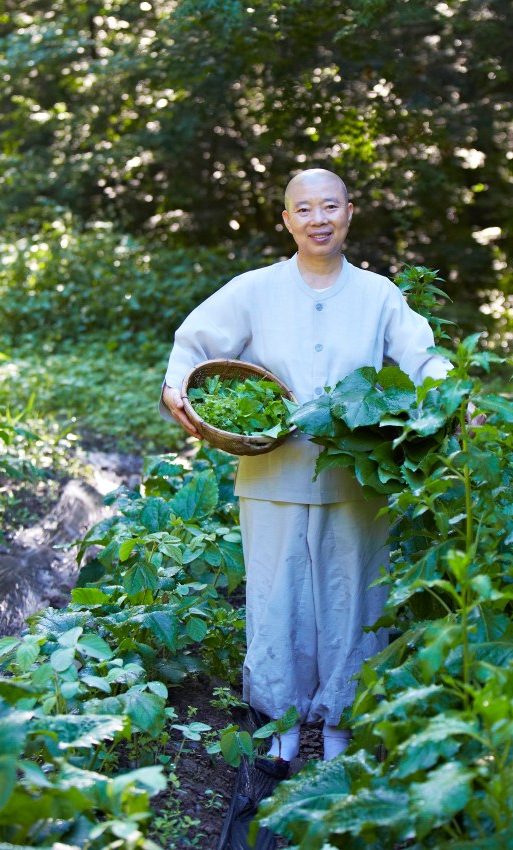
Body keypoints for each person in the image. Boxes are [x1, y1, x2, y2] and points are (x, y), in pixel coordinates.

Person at [161, 168, 451, 762]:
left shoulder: (377, 295)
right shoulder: (254, 290)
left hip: (357, 475)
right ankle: (283, 730)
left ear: (350, 212)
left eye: (330, 207)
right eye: (304, 209)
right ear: (286, 221)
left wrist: (450, 400)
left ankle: (342, 731)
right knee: (275, 601)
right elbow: (194, 343)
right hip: (272, 476)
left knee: (357, 601)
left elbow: (425, 357)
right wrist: (175, 388)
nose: (318, 219)